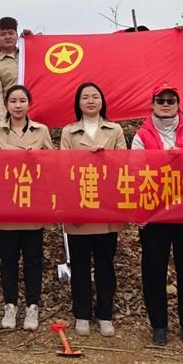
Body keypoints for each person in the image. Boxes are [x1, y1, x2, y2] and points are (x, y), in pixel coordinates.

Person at [131, 83, 183, 346]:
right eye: (160, 100)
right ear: (152, 104)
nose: (165, 104)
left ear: (178, 104)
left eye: (170, 100)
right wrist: (139, 212)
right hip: (154, 213)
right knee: (153, 269)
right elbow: (135, 174)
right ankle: (159, 324)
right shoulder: (141, 136)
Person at [60, 82, 126, 338]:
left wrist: (105, 156)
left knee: (105, 264)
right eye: (85, 97)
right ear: (78, 103)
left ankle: (105, 314)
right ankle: (82, 314)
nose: (90, 100)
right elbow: (63, 168)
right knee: (79, 264)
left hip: (107, 205)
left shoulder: (115, 129)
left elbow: (124, 164)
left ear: (102, 101)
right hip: (79, 204)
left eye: (95, 96)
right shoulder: (69, 132)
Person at [0, 85, 54, 331]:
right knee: (8, 260)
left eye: (22, 101)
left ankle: (32, 306)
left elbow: (54, 164)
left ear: (29, 104)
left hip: (33, 203)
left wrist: (39, 157)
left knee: (33, 259)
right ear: (6, 104)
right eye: (13, 101)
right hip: (7, 205)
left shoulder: (41, 131)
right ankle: (10, 305)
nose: (17, 105)